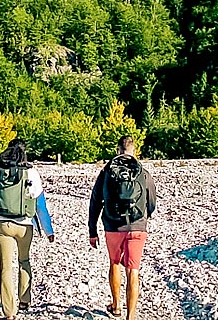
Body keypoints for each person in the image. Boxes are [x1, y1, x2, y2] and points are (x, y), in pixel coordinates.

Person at [88, 135, 156, 320]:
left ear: (118, 150)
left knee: (115, 263)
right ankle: (131, 316)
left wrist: (92, 230)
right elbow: (151, 203)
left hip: (113, 225)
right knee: (133, 271)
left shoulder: (108, 170)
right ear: (134, 151)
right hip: (137, 226)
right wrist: (143, 218)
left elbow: (96, 200)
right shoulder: (142, 172)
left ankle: (116, 306)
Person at [0, 138, 54, 320]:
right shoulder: (31, 172)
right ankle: (24, 300)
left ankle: (9, 311)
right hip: (25, 225)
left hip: (3, 224)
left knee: (6, 267)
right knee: (24, 261)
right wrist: (48, 231)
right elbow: (40, 205)